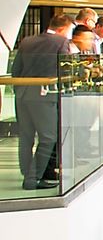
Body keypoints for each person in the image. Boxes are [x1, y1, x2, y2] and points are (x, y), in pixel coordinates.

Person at [11, 14, 72, 190]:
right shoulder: (61, 43)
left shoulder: (27, 41)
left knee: (26, 136)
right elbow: (65, 69)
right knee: (49, 136)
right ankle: (32, 178)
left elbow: (16, 69)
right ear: (63, 28)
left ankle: (27, 172)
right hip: (45, 95)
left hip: (22, 94)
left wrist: (19, 90)